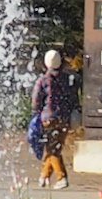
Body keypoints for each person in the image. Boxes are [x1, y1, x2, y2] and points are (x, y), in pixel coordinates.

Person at [31, 49, 74, 184]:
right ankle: (44, 176)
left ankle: (61, 177)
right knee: (55, 147)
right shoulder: (67, 79)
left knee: (52, 148)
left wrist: (36, 113)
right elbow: (72, 97)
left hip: (48, 119)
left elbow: (36, 101)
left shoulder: (43, 80)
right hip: (65, 118)